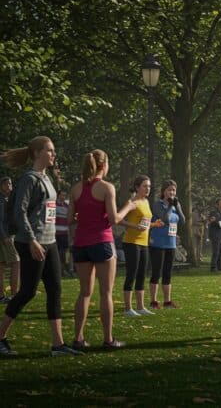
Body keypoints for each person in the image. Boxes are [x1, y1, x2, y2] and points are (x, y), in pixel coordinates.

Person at [0, 136, 82, 356]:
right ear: (37, 153)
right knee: (27, 292)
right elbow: (19, 212)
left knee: (55, 290)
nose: (54, 154)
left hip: (50, 241)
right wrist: (33, 240)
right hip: (32, 243)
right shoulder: (29, 179)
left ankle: (58, 345)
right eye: (50, 150)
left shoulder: (47, 178)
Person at [69, 149, 135, 349]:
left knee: (84, 293)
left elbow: (70, 219)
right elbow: (114, 219)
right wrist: (129, 207)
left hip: (81, 244)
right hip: (102, 242)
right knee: (105, 292)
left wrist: (84, 216)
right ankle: (108, 339)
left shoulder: (76, 189)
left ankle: (78, 339)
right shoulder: (107, 188)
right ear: (103, 166)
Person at [120, 175, 155, 317]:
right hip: (131, 243)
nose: (148, 189)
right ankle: (128, 309)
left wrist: (154, 225)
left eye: (149, 186)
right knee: (131, 275)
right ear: (137, 187)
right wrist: (134, 226)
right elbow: (119, 219)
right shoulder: (132, 202)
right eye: (145, 186)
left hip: (144, 243)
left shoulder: (146, 201)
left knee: (142, 275)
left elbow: (144, 223)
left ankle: (140, 307)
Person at [148, 179, 186, 310]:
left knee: (167, 273)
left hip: (170, 243)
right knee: (156, 272)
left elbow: (183, 221)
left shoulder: (175, 205)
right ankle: (153, 301)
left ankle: (167, 301)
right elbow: (164, 219)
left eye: (174, 190)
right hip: (158, 243)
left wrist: (178, 206)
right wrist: (170, 206)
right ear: (164, 191)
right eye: (169, 190)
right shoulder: (157, 204)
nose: (172, 192)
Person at [0, 176, 20, 303]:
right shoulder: (1, 200)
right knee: (16, 262)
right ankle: (14, 294)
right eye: (6, 184)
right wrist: (5, 236)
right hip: (5, 236)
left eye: (10, 184)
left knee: (1, 266)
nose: (9, 186)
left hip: (6, 235)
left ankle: (2, 296)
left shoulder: (7, 198)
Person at [54, 190, 73, 277]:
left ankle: (62, 270)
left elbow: (68, 221)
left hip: (64, 233)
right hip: (55, 233)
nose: (63, 197)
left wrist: (69, 233)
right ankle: (58, 270)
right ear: (58, 195)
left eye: (65, 195)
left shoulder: (67, 206)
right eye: (62, 195)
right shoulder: (53, 205)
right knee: (56, 252)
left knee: (63, 253)